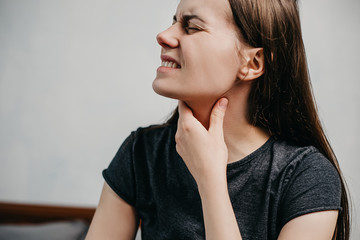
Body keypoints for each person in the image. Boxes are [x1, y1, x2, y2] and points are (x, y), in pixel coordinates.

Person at [85, 0, 350, 239]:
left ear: (253, 63)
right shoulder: (141, 153)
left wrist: (210, 178)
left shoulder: (307, 177)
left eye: (192, 27)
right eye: (174, 21)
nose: (164, 36)